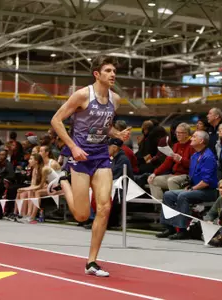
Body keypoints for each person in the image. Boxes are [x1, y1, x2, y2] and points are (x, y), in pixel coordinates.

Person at [49, 55, 131, 277]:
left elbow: (104, 127)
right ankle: (63, 182)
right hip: (80, 157)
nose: (112, 74)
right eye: (108, 70)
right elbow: (56, 121)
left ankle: (92, 262)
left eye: (114, 71)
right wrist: (73, 147)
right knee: (82, 216)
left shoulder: (115, 100)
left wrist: (117, 133)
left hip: (101, 156)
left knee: (104, 207)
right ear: (97, 74)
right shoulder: (82, 95)